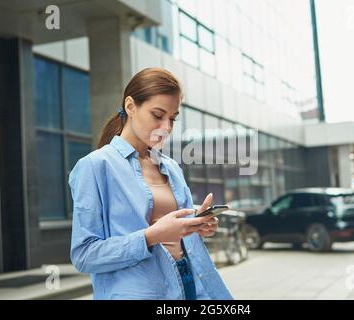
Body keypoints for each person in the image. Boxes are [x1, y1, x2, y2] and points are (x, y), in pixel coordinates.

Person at [69, 67, 233, 300]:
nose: (166, 127)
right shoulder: (95, 166)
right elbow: (85, 256)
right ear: (130, 106)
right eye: (157, 115)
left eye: (172, 119)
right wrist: (150, 236)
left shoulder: (171, 167)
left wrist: (197, 224)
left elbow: (175, 229)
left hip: (189, 284)